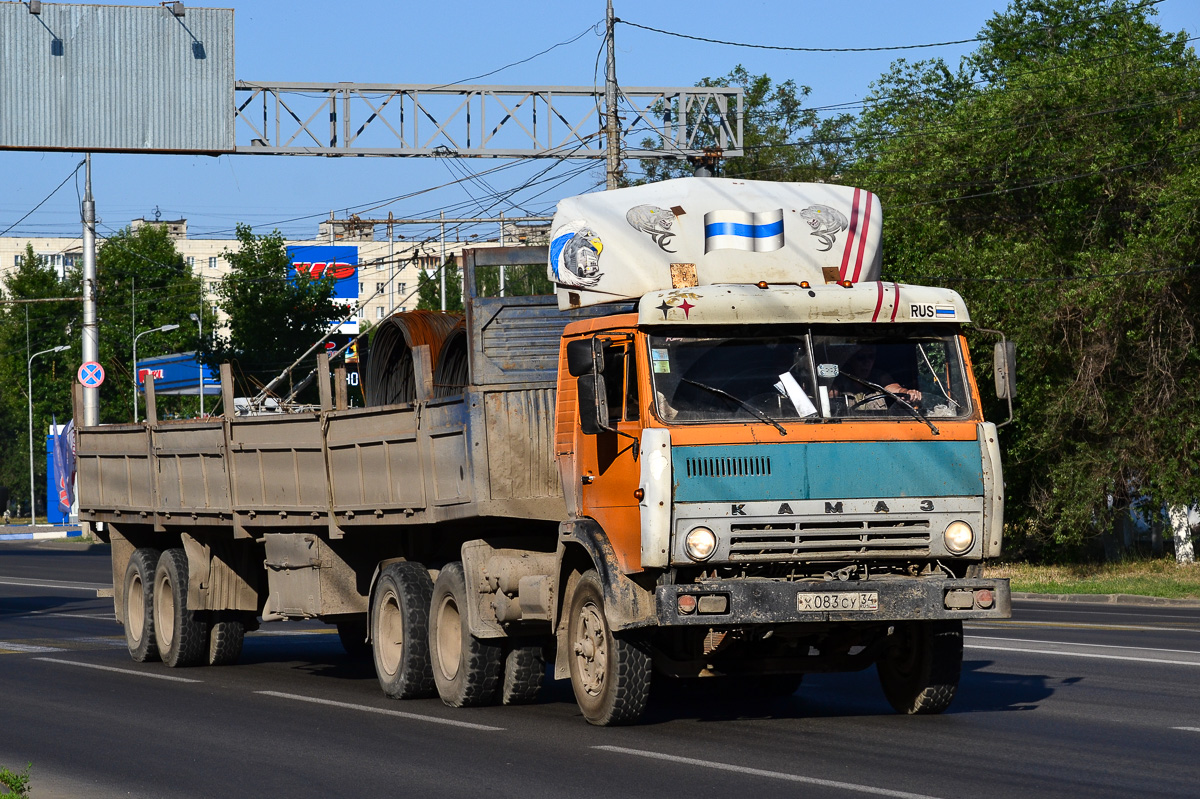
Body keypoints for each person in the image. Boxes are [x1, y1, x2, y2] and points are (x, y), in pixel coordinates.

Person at [832, 344, 922, 410]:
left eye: (871, 357)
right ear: (850, 360)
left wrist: (906, 393)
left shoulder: (879, 377)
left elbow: (895, 388)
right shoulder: (839, 380)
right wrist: (832, 395)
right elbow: (830, 398)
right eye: (861, 357)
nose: (867, 362)